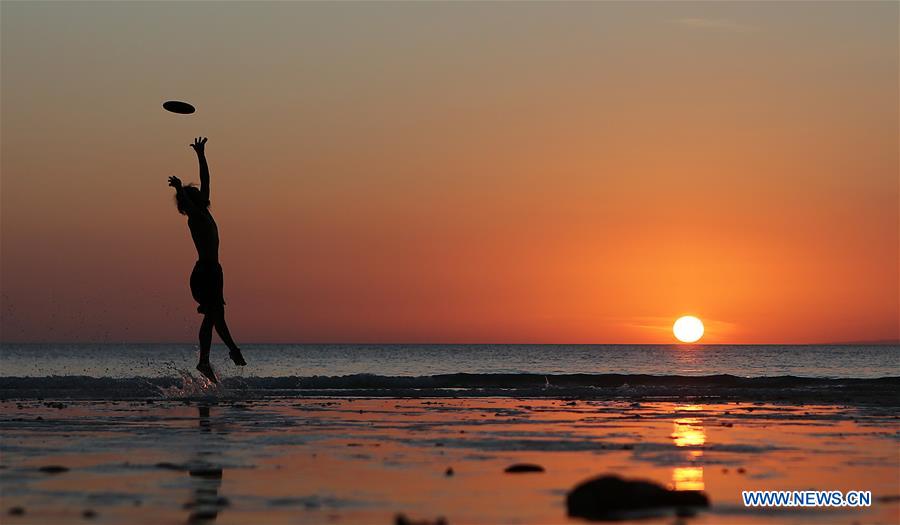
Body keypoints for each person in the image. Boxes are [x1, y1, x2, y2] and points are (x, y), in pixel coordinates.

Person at [168, 137, 246, 383]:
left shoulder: (204, 212)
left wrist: (201, 154)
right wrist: (180, 189)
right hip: (204, 273)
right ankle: (204, 360)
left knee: (217, 316)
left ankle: (231, 350)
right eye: (194, 196)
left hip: (214, 271)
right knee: (212, 315)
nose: (202, 195)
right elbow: (189, 203)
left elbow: (207, 181)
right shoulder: (195, 216)